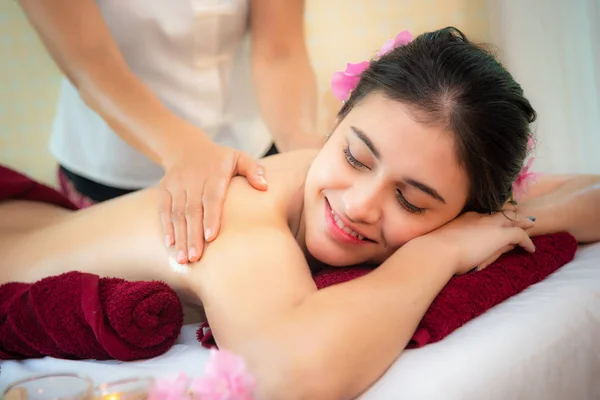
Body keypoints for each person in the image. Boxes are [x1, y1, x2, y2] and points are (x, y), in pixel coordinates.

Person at [1, 27, 599, 400]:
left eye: (412, 201)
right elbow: (290, 375)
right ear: (337, 122)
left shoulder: (404, 178)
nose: (360, 205)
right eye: (354, 156)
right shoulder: (242, 211)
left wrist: (507, 222)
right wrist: (436, 249)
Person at [18, 0, 323, 264]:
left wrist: (302, 146)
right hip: (114, 169)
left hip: (251, 150)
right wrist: (188, 151)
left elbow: (280, 50)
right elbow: (91, 63)